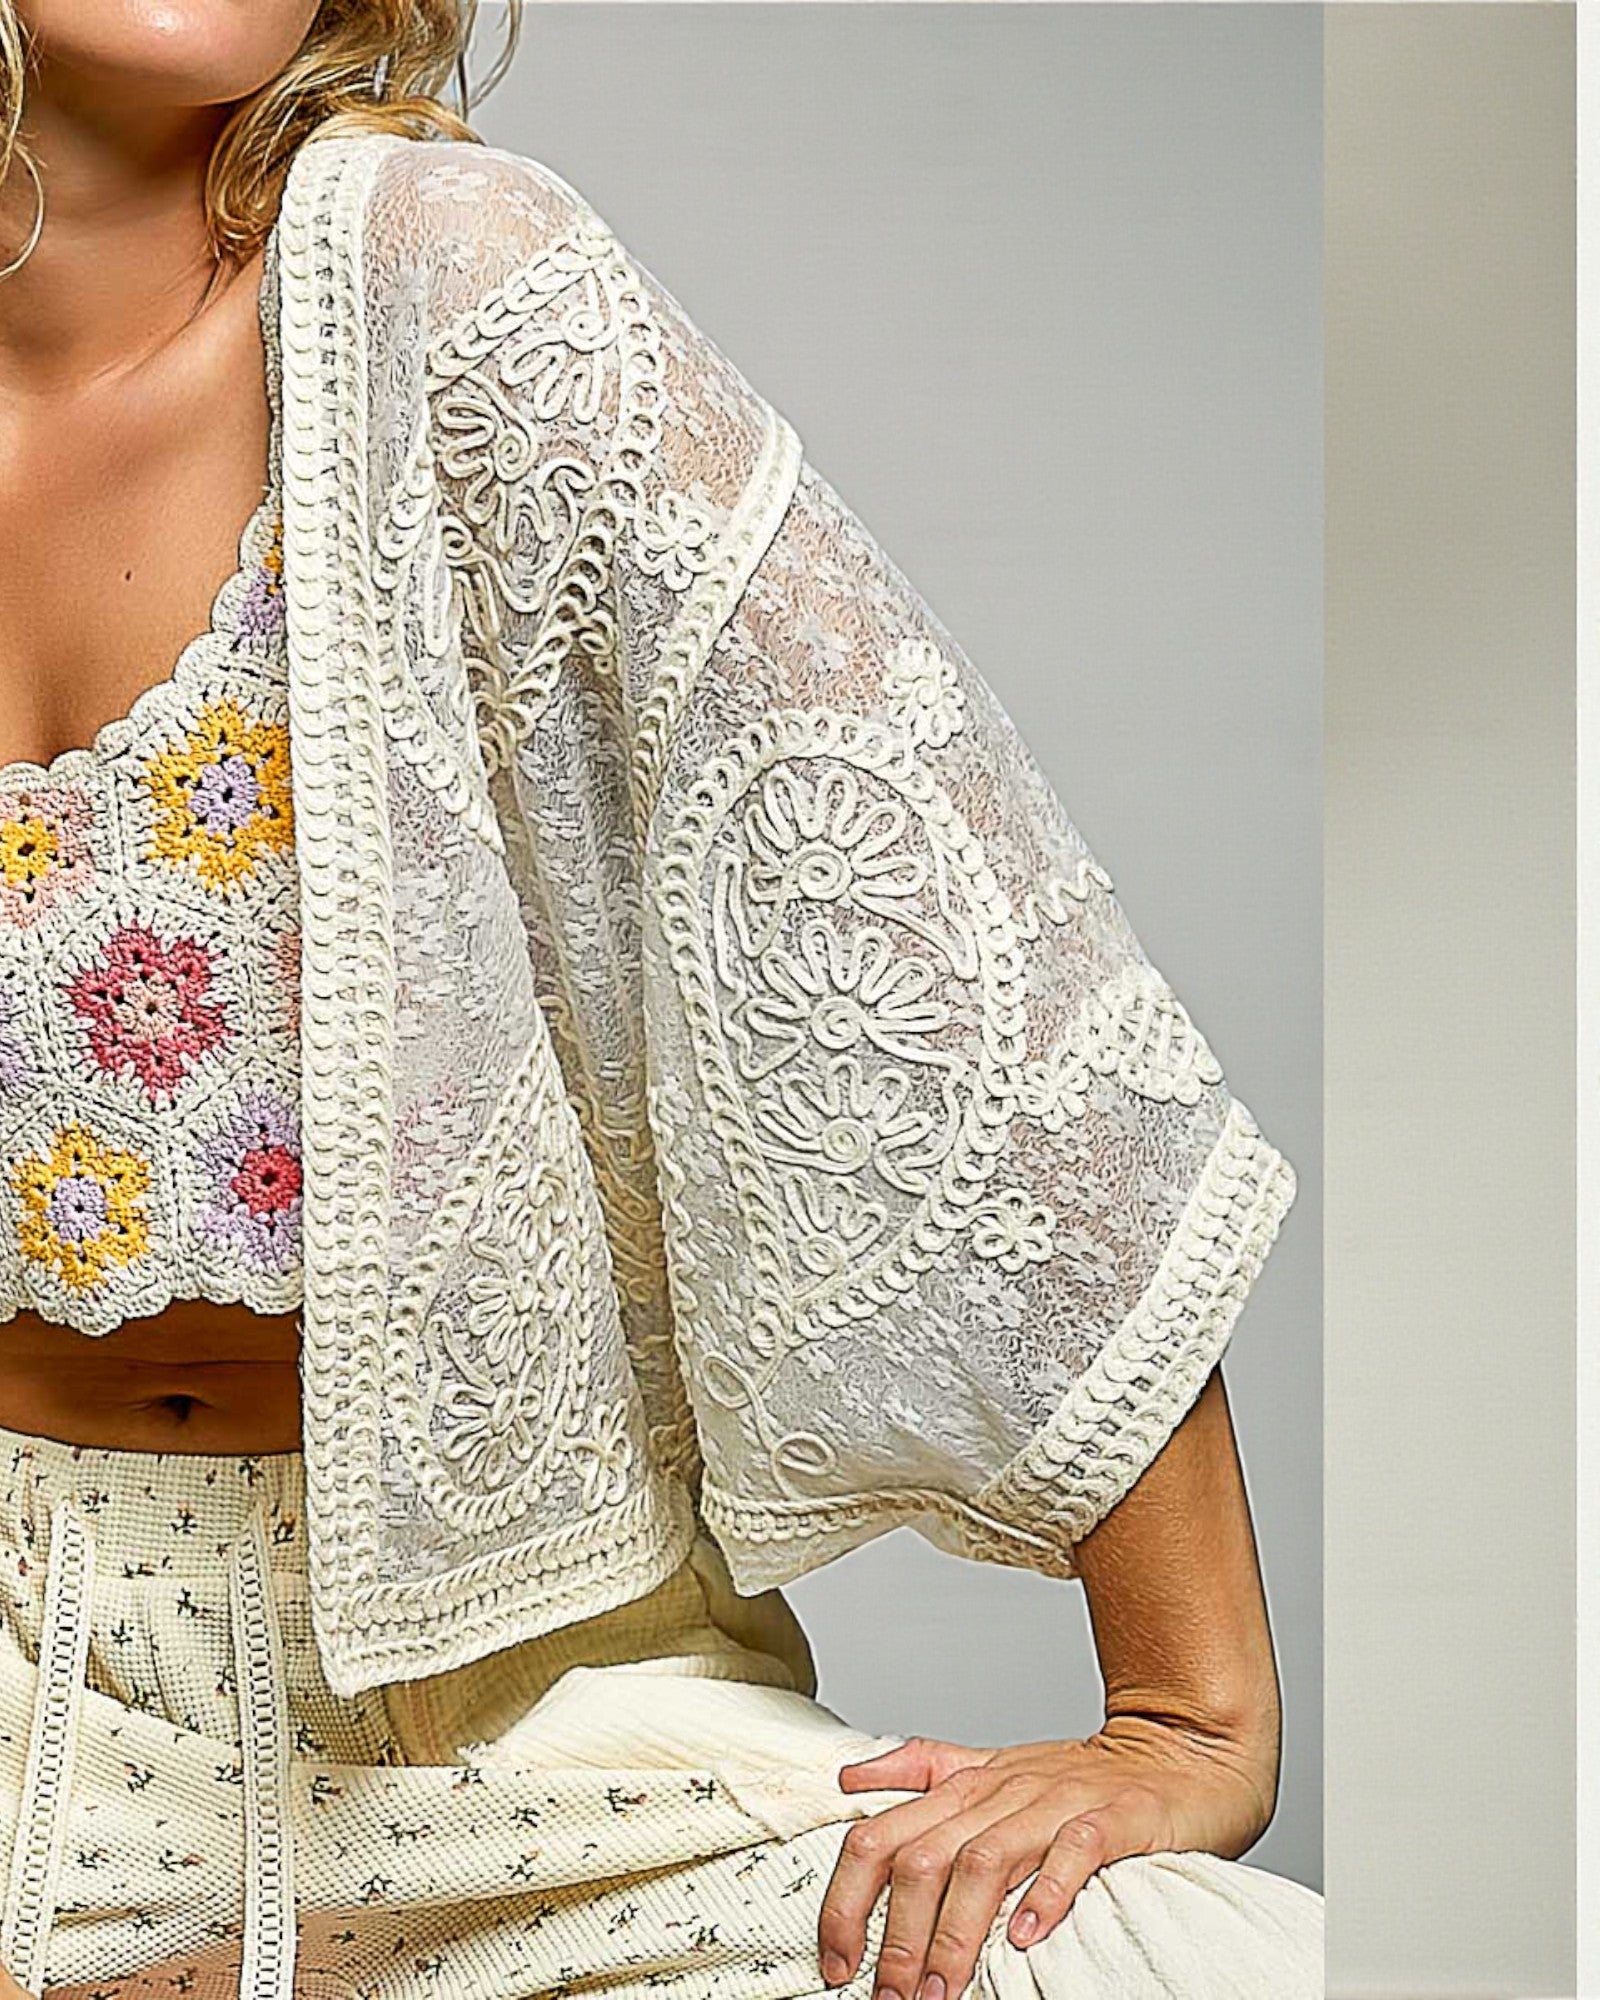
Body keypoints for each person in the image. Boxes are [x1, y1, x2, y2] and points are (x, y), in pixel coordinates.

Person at [0, 4, 1322, 1997]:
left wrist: (1186, 1714)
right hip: (24, 1676)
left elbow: (909, 905)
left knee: (1165, 1967)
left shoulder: (461, 280)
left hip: (488, 1702)